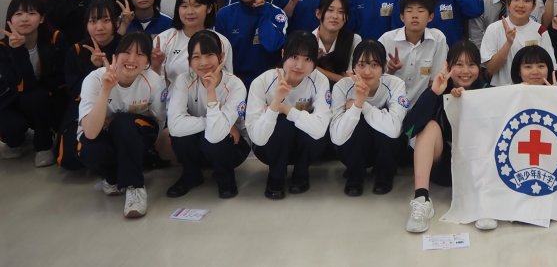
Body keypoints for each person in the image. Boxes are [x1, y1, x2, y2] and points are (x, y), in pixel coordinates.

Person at [77, 31, 166, 219]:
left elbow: (159, 121)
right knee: (89, 149)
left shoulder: (154, 81)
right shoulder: (94, 79)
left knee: (123, 123)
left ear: (147, 62)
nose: (132, 59)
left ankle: (135, 187)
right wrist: (105, 90)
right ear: (115, 56)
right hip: (105, 134)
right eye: (126, 52)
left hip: (138, 134)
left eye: (140, 54)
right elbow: (90, 132)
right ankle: (113, 177)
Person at [403, 40, 489, 233]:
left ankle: (483, 202)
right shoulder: (439, 88)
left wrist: (469, 102)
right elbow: (408, 129)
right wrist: (434, 93)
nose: (465, 71)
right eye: (459, 64)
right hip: (444, 169)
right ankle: (422, 199)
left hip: (477, 172)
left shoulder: (488, 90)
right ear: (448, 66)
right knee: (429, 127)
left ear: (479, 67)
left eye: (471, 64)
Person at [247, 31, 332, 199]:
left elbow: (320, 129)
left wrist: (286, 109)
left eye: (307, 59)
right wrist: (275, 104)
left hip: (304, 146)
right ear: (283, 54)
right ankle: (276, 177)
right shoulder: (262, 82)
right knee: (283, 125)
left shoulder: (320, 80)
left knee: (310, 127)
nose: (299, 65)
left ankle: (301, 173)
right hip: (269, 148)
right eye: (294, 57)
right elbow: (258, 138)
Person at [166, 29, 249, 199]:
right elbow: (174, 126)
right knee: (180, 136)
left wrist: (211, 91)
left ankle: (226, 179)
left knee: (215, 136)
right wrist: (212, 122)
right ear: (189, 61)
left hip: (233, 146)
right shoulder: (184, 80)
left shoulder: (235, 85)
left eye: (209, 55)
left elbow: (217, 133)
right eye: (196, 57)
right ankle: (191, 175)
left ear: (221, 56)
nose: (203, 63)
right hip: (201, 138)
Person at [330, 39, 408, 196]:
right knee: (358, 123)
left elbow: (394, 129)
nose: (367, 72)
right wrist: (357, 105)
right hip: (353, 150)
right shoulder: (342, 87)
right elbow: (337, 138)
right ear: (353, 67)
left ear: (383, 67)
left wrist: (363, 105)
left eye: (374, 65)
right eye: (361, 65)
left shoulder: (396, 84)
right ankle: (355, 174)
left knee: (386, 126)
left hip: (386, 149)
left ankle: (384, 174)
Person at [0, 0, 67, 166]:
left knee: (38, 97)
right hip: (13, 99)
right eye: (18, 14)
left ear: (42, 18)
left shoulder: (55, 39)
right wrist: (17, 50)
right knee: (12, 132)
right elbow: (21, 84)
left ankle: (44, 144)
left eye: (31, 13)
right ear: (10, 19)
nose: (24, 19)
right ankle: (19, 136)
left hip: (48, 95)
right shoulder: (3, 48)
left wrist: (46, 90)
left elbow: (62, 75)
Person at [57, 0, 120, 171]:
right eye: (93, 21)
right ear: (86, 24)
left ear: (116, 22)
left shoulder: (124, 47)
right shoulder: (76, 50)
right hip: (84, 106)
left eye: (105, 20)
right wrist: (93, 67)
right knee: (69, 161)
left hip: (118, 106)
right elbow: (74, 92)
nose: (99, 27)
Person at [214, 0, 288, 87]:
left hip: (269, 82)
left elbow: (272, 45)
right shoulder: (224, 15)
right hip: (234, 83)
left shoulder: (276, 13)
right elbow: (220, 55)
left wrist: (261, 11)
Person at [154, 0, 233, 86]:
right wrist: (155, 66)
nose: (190, 12)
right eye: (184, 6)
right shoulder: (163, 39)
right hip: (173, 96)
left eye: (196, 6)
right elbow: (152, 83)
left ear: (209, 8)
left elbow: (228, 82)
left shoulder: (221, 41)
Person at [480, 0, 557, 86]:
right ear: (508, 4)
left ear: (533, 6)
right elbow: (490, 70)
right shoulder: (494, 29)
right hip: (502, 90)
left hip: (532, 91)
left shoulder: (540, 30)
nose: (520, 5)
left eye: (526, 0)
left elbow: (550, 67)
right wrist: (508, 43)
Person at [378, 0, 448, 105]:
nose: (415, 16)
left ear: (430, 17)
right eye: (409, 11)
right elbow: (374, 79)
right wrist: (390, 70)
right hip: (389, 104)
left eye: (421, 11)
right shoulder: (387, 39)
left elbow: (435, 80)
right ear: (402, 17)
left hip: (422, 105)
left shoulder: (438, 39)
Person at [312, 0, 361, 84]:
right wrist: (340, 77)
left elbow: (351, 80)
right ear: (318, 13)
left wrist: (314, 68)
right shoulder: (308, 40)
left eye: (341, 12)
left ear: (346, 17)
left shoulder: (354, 39)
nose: (335, 16)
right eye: (330, 10)